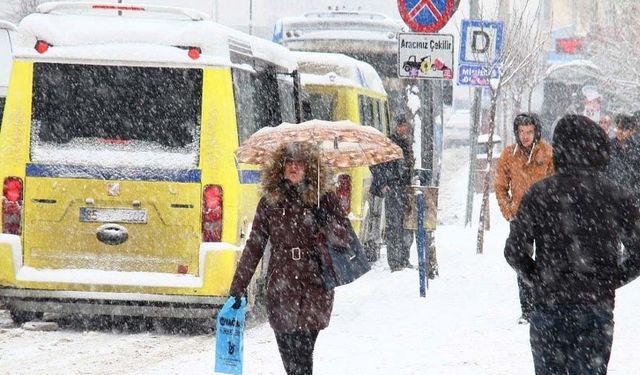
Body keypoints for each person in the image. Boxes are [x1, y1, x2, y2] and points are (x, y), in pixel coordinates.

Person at [504, 114, 640, 375]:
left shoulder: (540, 193)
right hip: (595, 308)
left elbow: (514, 251)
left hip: (549, 307)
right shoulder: (615, 195)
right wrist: (609, 278)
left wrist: (541, 278)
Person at [228, 142, 349, 375]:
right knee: (288, 355)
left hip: (314, 285)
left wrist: (325, 221)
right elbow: (254, 245)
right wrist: (238, 287)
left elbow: (343, 237)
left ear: (309, 167)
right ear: (280, 167)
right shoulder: (270, 202)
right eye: (289, 163)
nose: (294, 168)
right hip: (281, 285)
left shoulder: (324, 199)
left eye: (300, 163)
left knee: (302, 356)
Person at [495, 112, 554, 324]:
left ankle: (543, 304)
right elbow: (500, 187)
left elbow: (557, 183)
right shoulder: (508, 155)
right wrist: (510, 211)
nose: (525, 136)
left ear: (536, 131)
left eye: (529, 131)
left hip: (546, 218)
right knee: (519, 259)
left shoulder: (548, 153)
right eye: (521, 132)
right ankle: (527, 310)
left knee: (547, 261)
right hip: (521, 218)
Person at [370, 115, 415, 272]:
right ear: (395, 127)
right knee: (394, 227)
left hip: (405, 190)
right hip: (394, 189)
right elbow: (374, 162)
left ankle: (404, 259)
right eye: (400, 125)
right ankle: (395, 263)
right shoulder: (388, 143)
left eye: (405, 126)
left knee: (407, 226)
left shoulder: (407, 144)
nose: (403, 128)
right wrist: (383, 183)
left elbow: (407, 168)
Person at [607, 114, 640, 199]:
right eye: (619, 128)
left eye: (625, 129)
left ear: (632, 131)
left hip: (631, 193)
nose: (621, 132)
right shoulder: (608, 146)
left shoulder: (636, 149)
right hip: (611, 191)